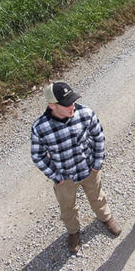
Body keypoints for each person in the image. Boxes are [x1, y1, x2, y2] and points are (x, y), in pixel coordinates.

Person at [31, 81, 121, 254]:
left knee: (97, 197)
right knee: (67, 208)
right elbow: (38, 155)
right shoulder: (40, 128)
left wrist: (97, 163)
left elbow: (98, 137)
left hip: (89, 170)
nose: (72, 106)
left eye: (72, 100)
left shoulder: (85, 113)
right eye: (66, 104)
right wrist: (57, 176)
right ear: (52, 106)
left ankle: (105, 217)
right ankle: (73, 232)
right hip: (65, 178)